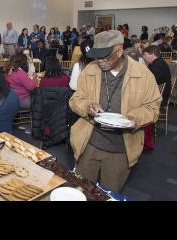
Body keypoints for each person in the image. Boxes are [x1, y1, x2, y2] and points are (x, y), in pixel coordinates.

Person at [69, 30, 162, 192]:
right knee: (80, 191)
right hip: (88, 144)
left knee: (108, 194)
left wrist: (134, 118)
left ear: (119, 51)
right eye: (97, 56)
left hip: (121, 150)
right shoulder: (90, 70)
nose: (100, 61)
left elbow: (153, 108)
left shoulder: (143, 75)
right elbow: (75, 99)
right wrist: (87, 106)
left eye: (105, 56)